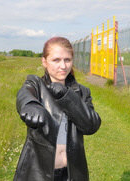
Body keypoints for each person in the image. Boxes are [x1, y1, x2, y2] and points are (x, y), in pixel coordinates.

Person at [13, 37, 101, 181]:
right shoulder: (36, 84)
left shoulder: (82, 92)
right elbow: (25, 93)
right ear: (44, 61)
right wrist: (30, 104)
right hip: (38, 173)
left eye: (67, 60)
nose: (63, 66)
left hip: (73, 174)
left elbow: (91, 126)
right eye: (56, 60)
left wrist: (68, 97)